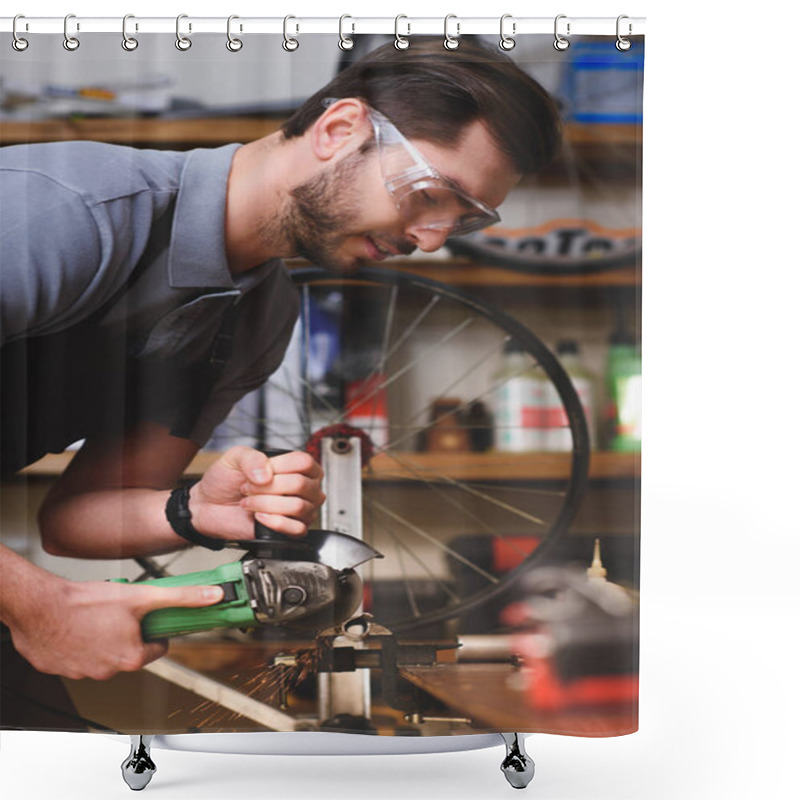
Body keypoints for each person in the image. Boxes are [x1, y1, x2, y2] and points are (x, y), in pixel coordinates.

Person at [0, 37, 560, 724]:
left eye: (464, 219)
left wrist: (191, 510)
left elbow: (72, 520)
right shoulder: (67, 215)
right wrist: (37, 602)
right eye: (431, 195)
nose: (433, 239)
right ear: (339, 129)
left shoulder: (259, 316)